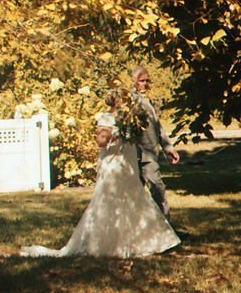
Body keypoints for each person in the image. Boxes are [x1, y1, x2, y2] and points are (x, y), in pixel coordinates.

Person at [20, 90, 180, 258]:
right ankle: (109, 244)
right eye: (126, 101)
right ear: (117, 102)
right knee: (112, 202)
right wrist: (118, 133)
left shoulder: (129, 119)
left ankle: (145, 242)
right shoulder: (106, 118)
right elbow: (101, 142)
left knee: (133, 200)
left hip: (128, 165)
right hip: (113, 166)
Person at [130, 66, 179, 221]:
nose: (145, 84)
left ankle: (168, 230)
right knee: (137, 196)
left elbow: (158, 128)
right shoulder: (129, 101)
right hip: (138, 155)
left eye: (147, 80)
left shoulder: (147, 101)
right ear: (133, 81)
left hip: (150, 154)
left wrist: (168, 148)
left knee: (158, 191)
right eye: (141, 81)